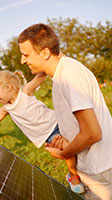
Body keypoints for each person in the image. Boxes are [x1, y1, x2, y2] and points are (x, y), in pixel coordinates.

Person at [18, 23, 112, 199]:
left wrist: (64, 153)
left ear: (45, 53)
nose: (23, 61)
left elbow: (92, 133)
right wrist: (66, 141)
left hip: (100, 170)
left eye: (26, 55)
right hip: (94, 164)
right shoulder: (62, 73)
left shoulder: (68, 76)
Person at [0, 70, 85, 194]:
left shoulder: (26, 92)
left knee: (80, 141)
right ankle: (72, 175)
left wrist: (52, 59)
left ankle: (84, 167)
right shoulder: (6, 109)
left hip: (57, 121)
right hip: (48, 135)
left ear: (8, 87)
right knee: (69, 151)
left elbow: (40, 76)